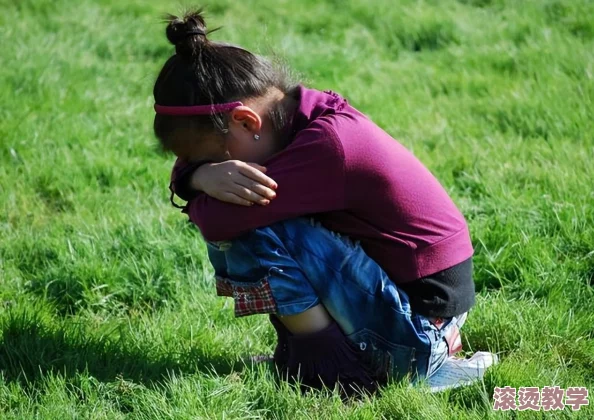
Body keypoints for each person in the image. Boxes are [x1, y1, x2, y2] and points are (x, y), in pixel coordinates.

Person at [153, 9, 487, 397]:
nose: (216, 169)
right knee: (246, 206)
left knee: (249, 223)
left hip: (420, 331)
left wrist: (195, 183)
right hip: (421, 312)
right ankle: (317, 355)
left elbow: (217, 222)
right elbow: (201, 189)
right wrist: (197, 176)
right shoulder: (297, 114)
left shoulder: (330, 147)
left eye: (212, 158)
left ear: (246, 123)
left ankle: (336, 372)